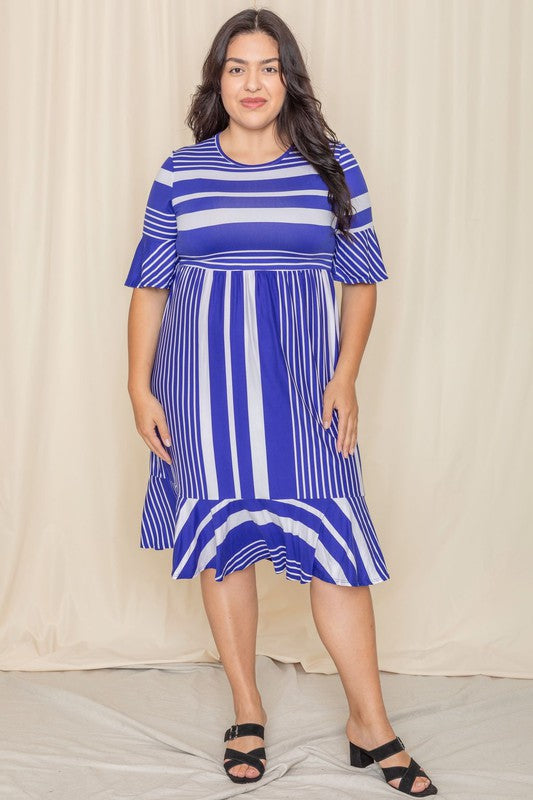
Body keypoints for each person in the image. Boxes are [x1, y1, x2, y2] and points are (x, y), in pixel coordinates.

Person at [124, 7, 437, 797]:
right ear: (218, 81)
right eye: (236, 67)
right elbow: (150, 285)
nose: (252, 83)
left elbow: (361, 277)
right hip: (201, 392)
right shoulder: (180, 171)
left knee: (334, 547)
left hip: (304, 389)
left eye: (267, 67)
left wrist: (345, 375)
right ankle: (247, 710)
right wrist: (138, 385)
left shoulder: (331, 166)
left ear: (288, 78)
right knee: (222, 540)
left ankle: (370, 723)